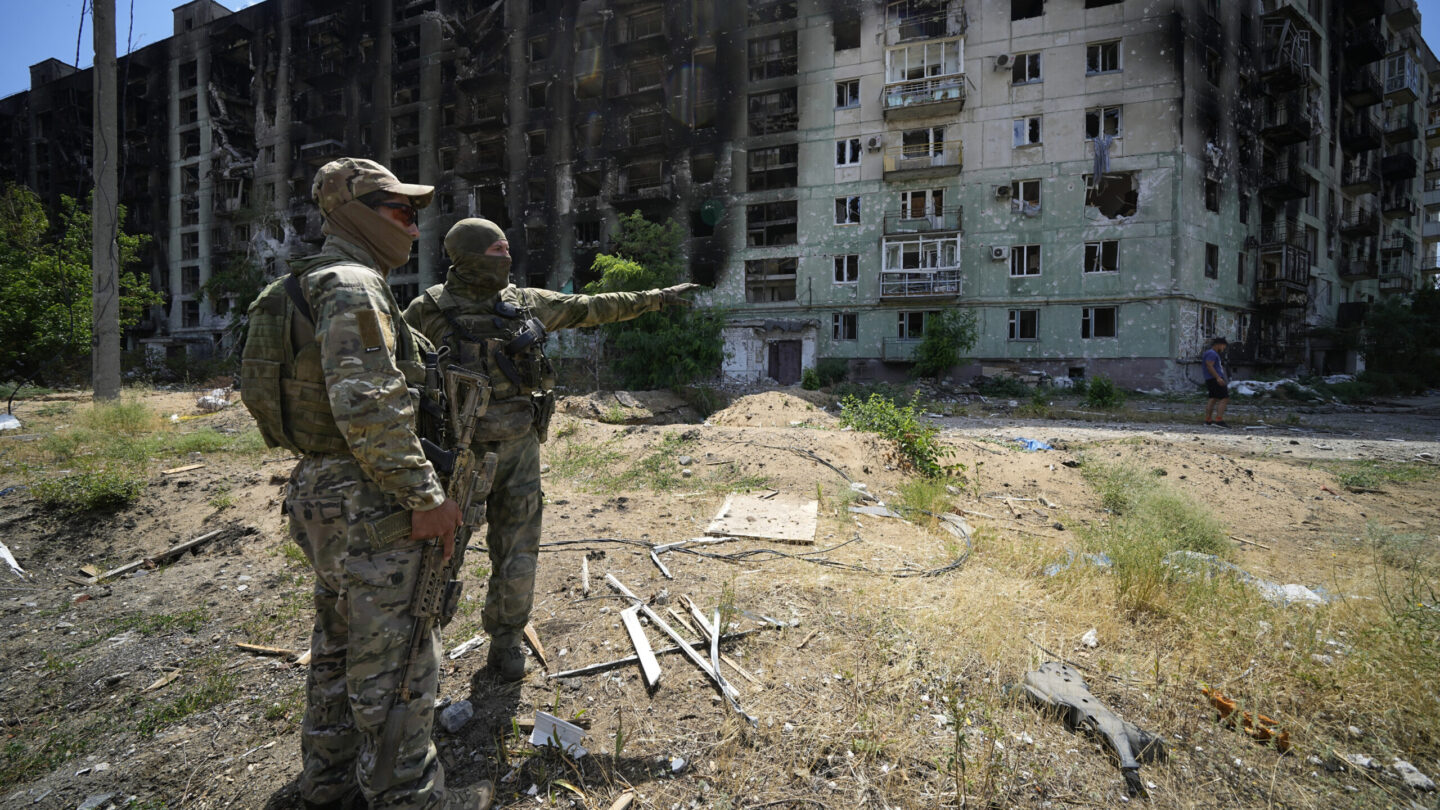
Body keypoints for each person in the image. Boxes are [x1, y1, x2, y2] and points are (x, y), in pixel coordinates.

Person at [242, 158, 492, 810]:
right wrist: (427, 498)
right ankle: (405, 796)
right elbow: (369, 405)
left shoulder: (300, 284)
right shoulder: (354, 285)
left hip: (323, 488)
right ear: (355, 213)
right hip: (373, 497)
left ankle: (329, 783)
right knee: (400, 663)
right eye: (401, 212)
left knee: (338, 645)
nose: (413, 227)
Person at [402, 217, 699, 681]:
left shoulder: (516, 302)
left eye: (506, 251)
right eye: (496, 252)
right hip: (458, 455)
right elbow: (394, 372)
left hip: (512, 449)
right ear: (469, 256)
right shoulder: (431, 310)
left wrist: (654, 299)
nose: (505, 259)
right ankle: (428, 650)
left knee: (511, 552)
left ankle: (497, 646)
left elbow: (590, 307)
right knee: (447, 553)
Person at [1202, 336, 1230, 427]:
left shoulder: (1209, 353)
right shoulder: (1212, 353)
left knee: (1213, 398)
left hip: (1210, 378)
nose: (1224, 348)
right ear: (1219, 345)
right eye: (1223, 346)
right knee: (1224, 398)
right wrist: (1218, 378)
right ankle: (1219, 420)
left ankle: (1208, 420)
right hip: (1214, 378)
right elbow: (1209, 366)